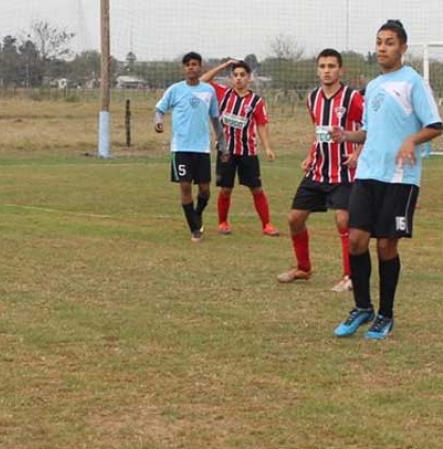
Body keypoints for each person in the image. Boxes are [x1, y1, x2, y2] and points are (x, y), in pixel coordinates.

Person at [331, 20, 442, 339]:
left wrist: (411, 141)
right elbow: (369, 130)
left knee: (386, 245)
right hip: (368, 173)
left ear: (403, 48)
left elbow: (435, 125)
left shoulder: (414, 83)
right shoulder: (375, 86)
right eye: (379, 42)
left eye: (389, 42)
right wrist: (348, 137)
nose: (382, 47)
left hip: (400, 178)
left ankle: (386, 314)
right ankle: (362, 307)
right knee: (355, 240)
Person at [277, 49, 364, 292]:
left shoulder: (352, 98)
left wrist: (357, 154)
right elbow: (319, 131)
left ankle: (350, 276)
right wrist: (309, 155)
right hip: (317, 171)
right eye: (323, 66)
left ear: (340, 70)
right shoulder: (312, 97)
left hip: (344, 172)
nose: (327, 70)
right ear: (317, 70)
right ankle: (303, 268)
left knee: (343, 220)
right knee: (294, 219)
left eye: (331, 66)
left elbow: (371, 126)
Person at [200, 58, 279, 236]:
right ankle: (222, 223)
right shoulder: (222, 93)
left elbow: (261, 125)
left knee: (256, 188)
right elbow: (203, 80)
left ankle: (266, 224)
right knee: (226, 189)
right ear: (231, 77)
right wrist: (223, 65)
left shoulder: (256, 101)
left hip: (248, 152)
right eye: (235, 75)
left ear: (249, 77)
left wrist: (267, 147)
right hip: (226, 151)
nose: (238, 78)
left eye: (242, 75)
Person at [154, 52, 224, 242]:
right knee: (185, 186)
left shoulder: (208, 91)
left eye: (194, 64)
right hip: (181, 148)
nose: (191, 67)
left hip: (202, 149)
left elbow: (215, 119)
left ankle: (197, 212)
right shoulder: (175, 90)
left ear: (200, 67)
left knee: (204, 190)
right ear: (183, 69)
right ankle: (195, 228)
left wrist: (222, 144)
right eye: (187, 65)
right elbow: (159, 109)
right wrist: (158, 121)